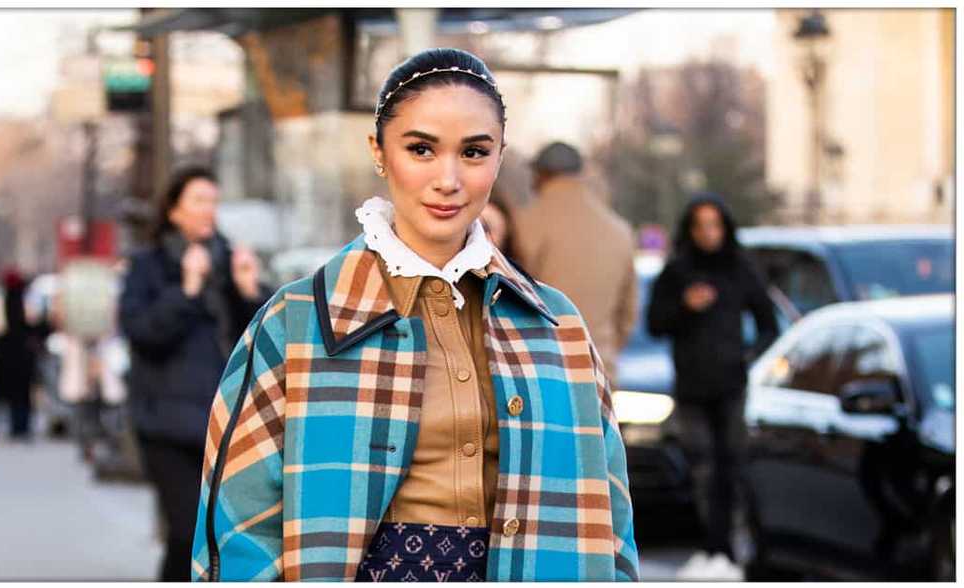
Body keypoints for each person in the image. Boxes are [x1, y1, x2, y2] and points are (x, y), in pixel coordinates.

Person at [191, 48, 638, 582]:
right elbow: (240, 527)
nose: (448, 179)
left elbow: (610, 524)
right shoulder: (295, 321)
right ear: (378, 151)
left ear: (500, 157)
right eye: (421, 148)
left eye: (474, 152)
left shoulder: (556, 325)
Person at [119, 166, 270, 582]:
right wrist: (185, 289)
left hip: (223, 426)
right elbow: (141, 332)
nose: (209, 211)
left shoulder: (229, 259)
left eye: (213, 201)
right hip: (165, 425)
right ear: (173, 210)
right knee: (187, 533)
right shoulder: (147, 266)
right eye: (198, 201)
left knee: (222, 537)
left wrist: (249, 290)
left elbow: (262, 337)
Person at [645, 193, 778, 581]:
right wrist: (685, 305)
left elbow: (768, 323)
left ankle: (731, 548)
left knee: (733, 465)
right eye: (700, 225)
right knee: (702, 469)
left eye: (715, 224)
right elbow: (655, 323)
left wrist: (749, 356)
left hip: (732, 384)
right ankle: (711, 546)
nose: (708, 233)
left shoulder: (740, 268)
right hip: (691, 387)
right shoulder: (676, 272)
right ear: (690, 229)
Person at [511, 141, 638, 382]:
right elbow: (628, 312)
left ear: (541, 174)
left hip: (540, 370)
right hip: (600, 368)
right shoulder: (619, 229)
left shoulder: (524, 223)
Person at [0, 268, 46, 441]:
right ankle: (20, 429)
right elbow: (40, 328)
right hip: (23, 359)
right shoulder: (28, 302)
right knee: (22, 397)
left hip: (3, 358)